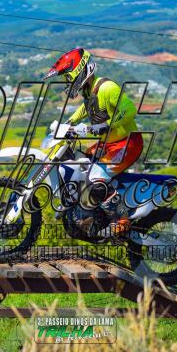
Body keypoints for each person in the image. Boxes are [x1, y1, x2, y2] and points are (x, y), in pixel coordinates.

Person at [43, 47, 143, 237]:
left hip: (127, 143)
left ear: (80, 71)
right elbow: (86, 108)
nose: (68, 81)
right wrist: (69, 123)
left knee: (95, 178)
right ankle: (91, 213)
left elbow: (130, 110)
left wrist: (106, 125)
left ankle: (122, 219)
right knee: (80, 164)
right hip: (109, 144)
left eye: (68, 77)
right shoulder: (90, 90)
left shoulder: (107, 87)